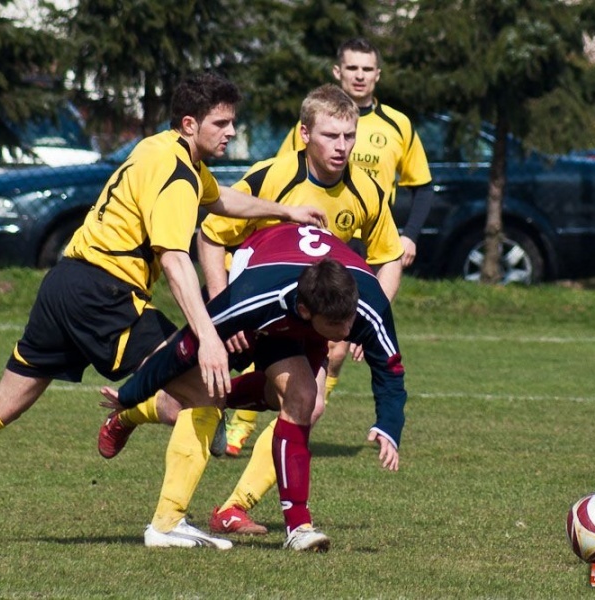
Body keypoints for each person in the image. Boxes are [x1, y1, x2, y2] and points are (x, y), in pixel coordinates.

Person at [0, 71, 327, 545]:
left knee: (1, 405)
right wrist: (207, 336)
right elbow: (174, 259)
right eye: (222, 123)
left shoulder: (158, 147)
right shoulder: (177, 178)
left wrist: (285, 210)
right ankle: (168, 523)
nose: (231, 132)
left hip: (64, 283)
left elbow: (221, 199)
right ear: (190, 123)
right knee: (205, 389)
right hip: (105, 296)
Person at [96, 83, 404, 538]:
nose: (341, 147)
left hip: (304, 312)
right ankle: (134, 428)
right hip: (242, 303)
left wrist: (359, 323)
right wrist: (221, 318)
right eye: (330, 136)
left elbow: (388, 255)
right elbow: (212, 234)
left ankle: (235, 509)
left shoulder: (368, 192)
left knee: (307, 403)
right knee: (193, 396)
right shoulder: (272, 176)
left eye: (349, 136)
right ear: (304, 134)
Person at [100, 222, 407, 551]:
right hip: (258, 275)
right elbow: (184, 346)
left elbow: (389, 367)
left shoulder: (365, 302)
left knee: (305, 401)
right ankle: (131, 417)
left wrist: (388, 425)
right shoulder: (253, 297)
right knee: (200, 394)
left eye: (350, 319)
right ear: (305, 311)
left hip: (303, 308)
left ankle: (298, 528)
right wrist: (132, 391)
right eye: (338, 324)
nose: (348, 329)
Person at [225, 37, 432, 455]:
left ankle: (283, 434)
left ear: (378, 74)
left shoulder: (397, 127)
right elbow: (280, 183)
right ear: (338, 71)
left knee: (327, 362)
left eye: (366, 69)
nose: (341, 145)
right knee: (268, 362)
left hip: (352, 245)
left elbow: (421, 187)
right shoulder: (310, 127)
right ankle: (235, 426)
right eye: (351, 68)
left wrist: (406, 234)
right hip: (288, 253)